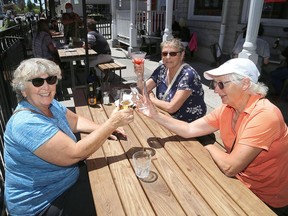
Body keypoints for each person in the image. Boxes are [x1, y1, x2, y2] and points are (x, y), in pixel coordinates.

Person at [138, 58, 288, 216]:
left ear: (245, 84)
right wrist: (154, 115)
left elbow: (230, 167)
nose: (215, 90)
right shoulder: (228, 108)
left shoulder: (265, 115)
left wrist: (208, 145)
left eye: (221, 84)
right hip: (238, 183)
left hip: (266, 200)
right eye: (214, 84)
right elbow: (189, 129)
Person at [4, 58, 134, 215]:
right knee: (116, 202)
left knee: (119, 182)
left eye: (51, 80)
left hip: (65, 182)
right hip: (43, 203)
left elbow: (76, 121)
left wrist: (104, 129)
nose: (46, 86)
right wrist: (111, 124)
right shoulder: (26, 123)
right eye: (37, 82)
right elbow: (74, 154)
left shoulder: (50, 104)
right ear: (23, 90)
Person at [134, 38, 206, 123]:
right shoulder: (162, 69)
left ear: (182, 55)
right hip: (166, 117)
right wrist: (140, 75)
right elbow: (142, 89)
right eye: (164, 54)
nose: (168, 57)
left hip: (188, 125)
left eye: (173, 54)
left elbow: (171, 108)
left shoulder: (188, 75)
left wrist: (151, 98)